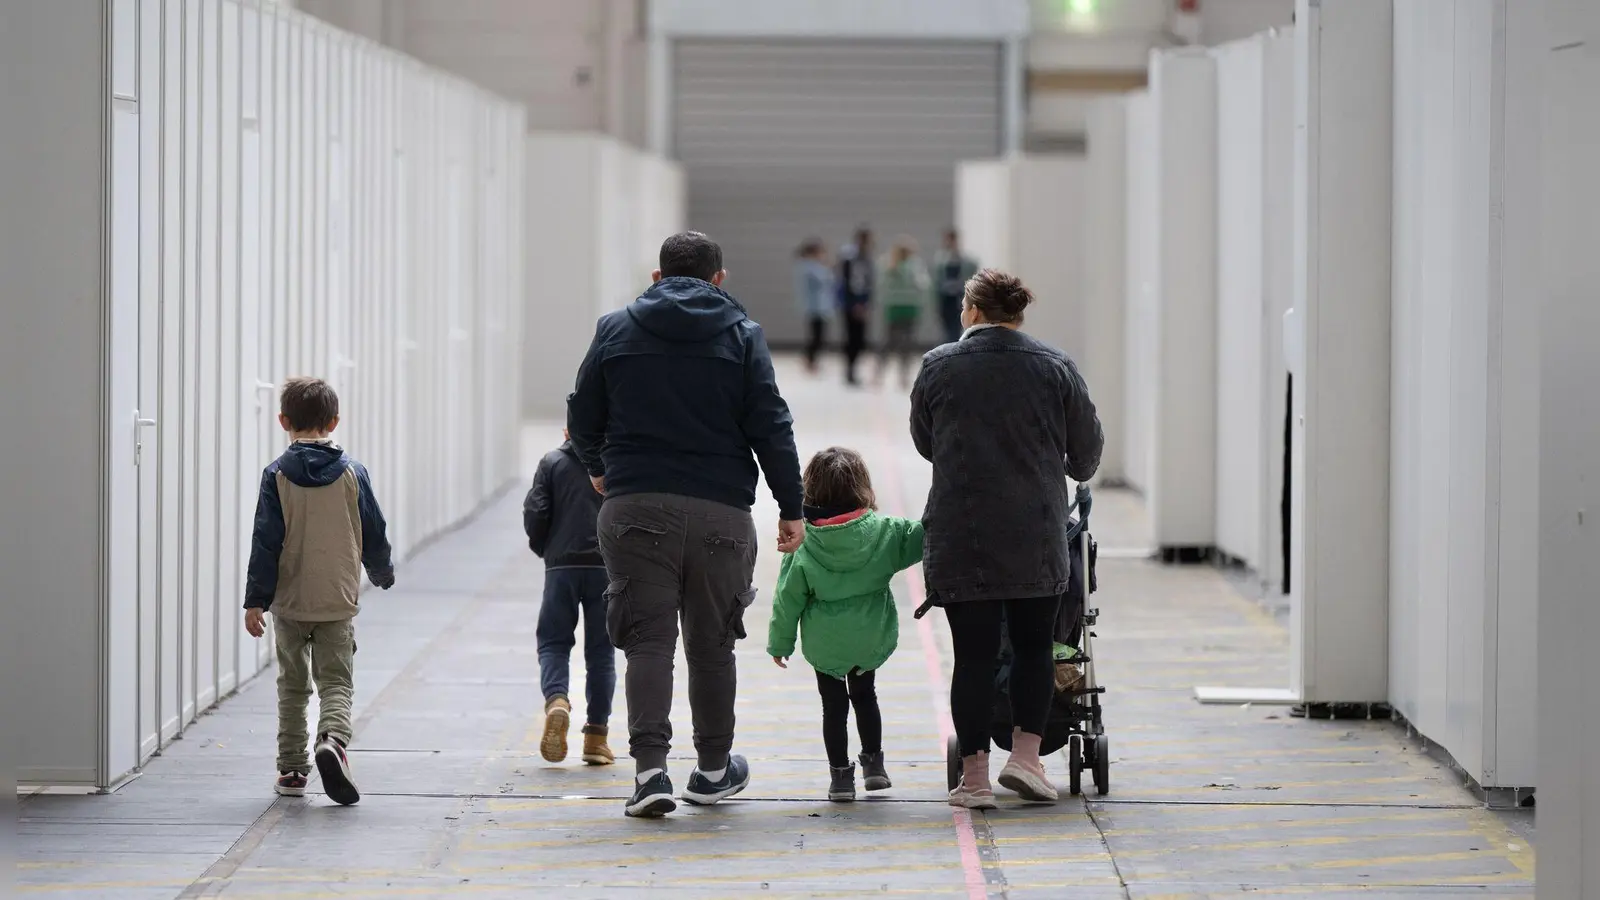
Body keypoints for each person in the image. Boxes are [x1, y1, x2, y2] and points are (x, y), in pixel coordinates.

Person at [567, 231, 806, 819]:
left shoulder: (615, 328)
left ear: (656, 277)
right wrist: (792, 508)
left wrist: (599, 469)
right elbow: (771, 425)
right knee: (712, 645)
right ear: (718, 280)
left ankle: (650, 776)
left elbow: (581, 411)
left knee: (647, 641)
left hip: (634, 507)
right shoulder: (743, 336)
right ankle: (714, 771)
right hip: (721, 512)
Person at [910, 269, 1103, 809]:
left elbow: (927, 443)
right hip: (1035, 531)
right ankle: (1026, 759)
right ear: (1018, 314)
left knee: (972, 656)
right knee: (1034, 647)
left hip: (961, 532)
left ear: (970, 310)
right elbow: (1086, 455)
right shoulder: (1055, 366)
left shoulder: (938, 365)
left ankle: (973, 780)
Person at [243, 377, 395, 806]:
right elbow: (373, 529)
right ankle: (332, 740)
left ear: (283, 421)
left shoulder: (275, 475)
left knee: (292, 685)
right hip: (336, 596)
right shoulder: (353, 473)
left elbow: (265, 541)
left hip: (289, 602)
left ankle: (292, 770)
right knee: (336, 682)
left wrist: (256, 599)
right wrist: (381, 571)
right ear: (334, 421)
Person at [766, 448, 924, 802]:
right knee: (866, 696)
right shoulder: (885, 531)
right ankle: (875, 767)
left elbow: (787, 598)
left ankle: (840, 777)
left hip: (826, 641)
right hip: (869, 635)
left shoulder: (803, 541)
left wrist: (780, 644)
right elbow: (922, 538)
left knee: (833, 707)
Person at [524, 428, 616, 767]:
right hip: (605, 569)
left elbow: (535, 512)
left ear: (567, 429)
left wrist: (547, 549)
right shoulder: (616, 463)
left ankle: (557, 700)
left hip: (561, 567)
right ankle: (596, 737)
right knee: (601, 653)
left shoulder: (551, 463)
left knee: (553, 643)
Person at [874, 236, 931, 388]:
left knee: (890, 340)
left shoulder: (887, 263)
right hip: (908, 306)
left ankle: (880, 373)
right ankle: (901, 376)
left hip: (895, 306)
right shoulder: (913, 265)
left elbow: (881, 286)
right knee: (905, 342)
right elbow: (923, 284)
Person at [836, 227, 875, 386]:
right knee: (851, 338)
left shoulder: (867, 259)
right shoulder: (849, 258)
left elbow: (869, 283)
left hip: (862, 303)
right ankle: (849, 370)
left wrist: (866, 304)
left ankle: (854, 368)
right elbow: (846, 282)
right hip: (850, 304)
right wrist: (853, 304)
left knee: (860, 339)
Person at [932, 229, 980, 345]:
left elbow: (972, 267)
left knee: (957, 325)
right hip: (945, 298)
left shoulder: (963, 259)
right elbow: (937, 280)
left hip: (958, 297)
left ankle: (954, 345)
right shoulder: (941, 259)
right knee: (946, 325)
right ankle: (949, 346)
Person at [794, 238, 834, 374]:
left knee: (818, 335)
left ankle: (811, 360)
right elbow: (825, 279)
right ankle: (810, 360)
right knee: (816, 336)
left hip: (821, 307)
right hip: (815, 307)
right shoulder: (809, 267)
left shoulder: (815, 266)